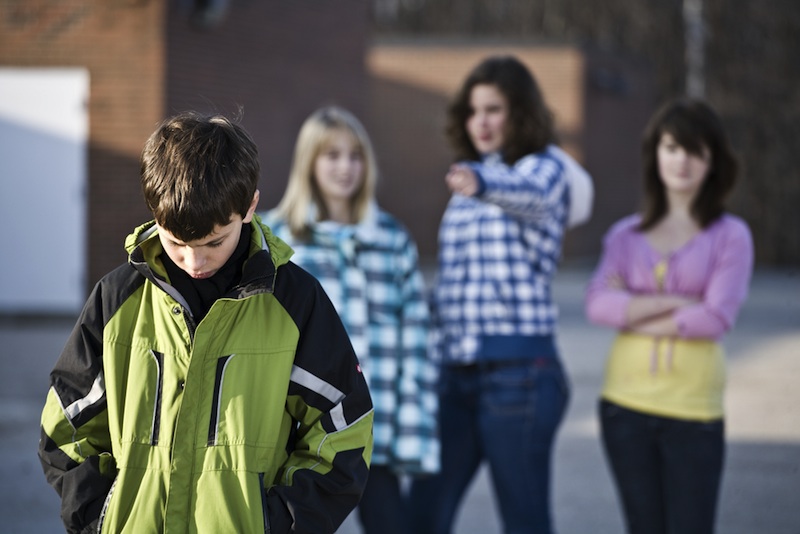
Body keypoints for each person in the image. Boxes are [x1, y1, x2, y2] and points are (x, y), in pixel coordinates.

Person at [37, 111, 374, 534]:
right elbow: (66, 426)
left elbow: (343, 430)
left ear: (249, 206)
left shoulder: (295, 302)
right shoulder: (117, 298)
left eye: (215, 241)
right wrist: (100, 519)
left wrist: (277, 524)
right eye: (176, 242)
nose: (195, 261)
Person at [408, 55, 593, 534]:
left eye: (493, 109)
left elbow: (528, 193)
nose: (481, 122)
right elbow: (457, 282)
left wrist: (484, 182)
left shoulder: (547, 168)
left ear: (520, 111)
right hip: (455, 372)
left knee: (524, 520)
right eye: (473, 111)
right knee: (423, 514)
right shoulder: (471, 180)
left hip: (519, 376)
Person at [262, 106, 439, 534]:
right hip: (301, 432)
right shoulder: (275, 239)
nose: (346, 167)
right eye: (332, 155)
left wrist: (412, 435)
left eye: (355, 155)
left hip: (373, 427)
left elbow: (416, 341)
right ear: (309, 162)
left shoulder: (392, 240)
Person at [584, 98, 754, 534]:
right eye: (672, 147)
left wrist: (632, 308)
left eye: (695, 150)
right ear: (655, 154)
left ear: (713, 160)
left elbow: (716, 319)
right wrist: (677, 304)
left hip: (693, 408)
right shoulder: (625, 234)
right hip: (624, 405)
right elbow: (597, 305)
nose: (682, 160)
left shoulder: (731, 236)